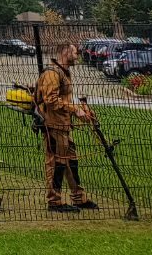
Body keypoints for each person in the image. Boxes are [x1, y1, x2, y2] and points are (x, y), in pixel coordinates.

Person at [35, 41, 99, 213]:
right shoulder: (52, 73)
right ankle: (54, 201)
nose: (77, 56)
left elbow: (63, 100)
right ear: (65, 52)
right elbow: (50, 100)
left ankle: (79, 198)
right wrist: (74, 109)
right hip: (53, 126)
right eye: (75, 53)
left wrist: (81, 111)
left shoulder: (63, 72)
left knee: (71, 161)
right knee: (56, 163)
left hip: (63, 125)